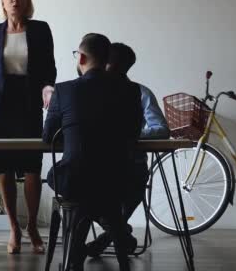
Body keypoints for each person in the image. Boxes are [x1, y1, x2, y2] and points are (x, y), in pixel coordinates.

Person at [43, 33, 143, 271]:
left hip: (75, 181)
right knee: (98, 195)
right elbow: (133, 134)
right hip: (118, 180)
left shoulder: (64, 91)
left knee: (66, 184)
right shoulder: (131, 91)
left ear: (82, 57)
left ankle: (73, 260)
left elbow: (48, 137)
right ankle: (110, 235)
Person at [0, 0, 56, 255]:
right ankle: (14, 228)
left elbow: (49, 67)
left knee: (32, 166)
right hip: (0, 106)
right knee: (4, 167)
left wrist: (48, 88)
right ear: (2, 2)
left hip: (29, 102)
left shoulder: (40, 29)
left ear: (27, 1)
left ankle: (32, 226)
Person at [86, 42, 170, 256]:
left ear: (108, 64)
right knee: (85, 191)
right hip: (101, 169)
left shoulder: (140, 93)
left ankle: (113, 233)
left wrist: (128, 134)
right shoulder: (88, 91)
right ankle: (120, 232)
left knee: (89, 191)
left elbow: (161, 129)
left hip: (129, 169)